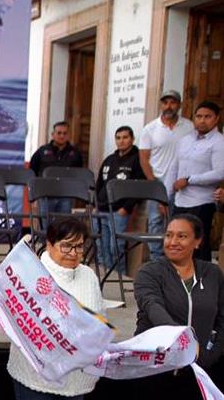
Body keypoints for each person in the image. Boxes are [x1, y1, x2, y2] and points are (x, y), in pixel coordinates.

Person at [7, 218, 104, 400]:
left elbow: (99, 321)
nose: (73, 253)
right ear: (49, 245)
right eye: (66, 246)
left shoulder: (89, 276)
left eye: (79, 246)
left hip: (75, 379)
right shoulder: (31, 272)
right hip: (35, 378)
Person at [133, 214, 224, 396]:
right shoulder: (149, 272)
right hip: (153, 368)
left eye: (181, 236)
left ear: (197, 242)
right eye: (169, 235)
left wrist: (211, 355)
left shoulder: (212, 273)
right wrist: (185, 341)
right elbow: (152, 306)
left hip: (198, 369)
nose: (173, 242)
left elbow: (222, 319)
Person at [139, 89, 195, 258]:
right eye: (165, 102)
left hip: (181, 183)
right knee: (155, 221)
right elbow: (144, 159)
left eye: (173, 102)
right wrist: (154, 185)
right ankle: (157, 259)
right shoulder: (150, 128)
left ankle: (176, 259)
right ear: (161, 105)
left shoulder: (189, 127)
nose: (168, 106)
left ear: (179, 105)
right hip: (157, 180)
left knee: (180, 222)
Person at [168, 100, 223, 262]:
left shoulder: (219, 142)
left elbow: (220, 173)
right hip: (180, 201)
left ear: (216, 118)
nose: (202, 120)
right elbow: (174, 166)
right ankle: (177, 276)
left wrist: (190, 180)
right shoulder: (186, 140)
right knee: (176, 244)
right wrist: (166, 195)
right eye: (198, 116)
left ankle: (201, 277)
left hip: (201, 202)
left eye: (207, 117)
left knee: (197, 246)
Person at [94, 126, 146, 274]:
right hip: (101, 209)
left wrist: (127, 208)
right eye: (118, 138)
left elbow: (139, 186)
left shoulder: (137, 160)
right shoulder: (109, 159)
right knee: (101, 245)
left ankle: (119, 277)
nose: (121, 141)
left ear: (132, 139)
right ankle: (105, 275)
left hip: (119, 211)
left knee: (115, 247)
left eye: (125, 137)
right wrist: (95, 204)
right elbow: (99, 184)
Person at [29, 121, 84, 215]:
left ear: (69, 135)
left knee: (63, 222)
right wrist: (34, 193)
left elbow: (79, 174)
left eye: (65, 133)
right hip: (45, 194)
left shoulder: (75, 153)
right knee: (45, 223)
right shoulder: (42, 151)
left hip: (66, 196)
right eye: (59, 133)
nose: (62, 136)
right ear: (53, 134)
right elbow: (32, 171)